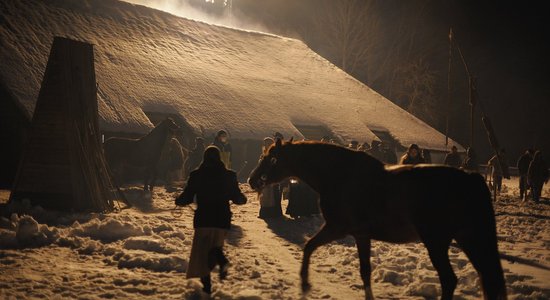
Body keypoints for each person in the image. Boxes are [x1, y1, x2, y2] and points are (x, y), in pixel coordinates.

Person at [175, 146, 247, 294]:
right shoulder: (230, 175)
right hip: (222, 220)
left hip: (203, 219)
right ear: (219, 157)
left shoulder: (196, 175)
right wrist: (241, 199)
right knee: (215, 247)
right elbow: (238, 197)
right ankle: (220, 258)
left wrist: (179, 201)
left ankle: (206, 286)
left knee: (202, 255)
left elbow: (187, 196)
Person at [258, 137, 283, 219]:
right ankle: (265, 213)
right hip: (264, 177)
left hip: (273, 178)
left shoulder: (275, 154)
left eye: (268, 144)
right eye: (265, 144)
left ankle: (274, 213)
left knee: (273, 195)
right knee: (265, 196)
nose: (267, 145)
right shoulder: (263, 154)